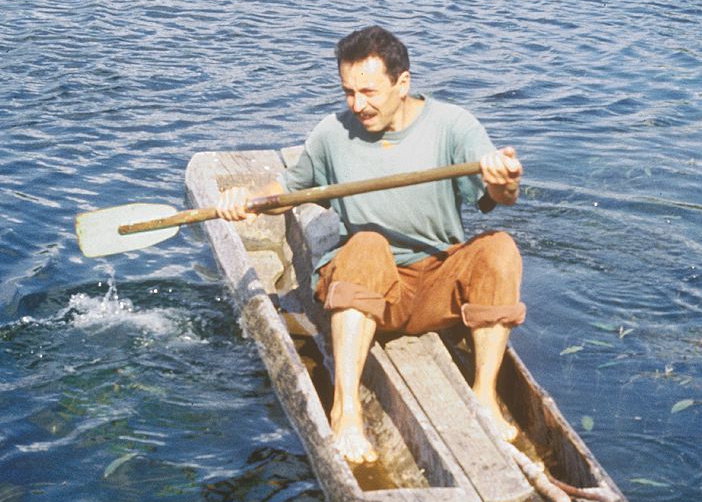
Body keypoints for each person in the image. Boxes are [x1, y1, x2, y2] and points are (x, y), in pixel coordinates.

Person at [216, 26, 524, 465]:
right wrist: (244, 201)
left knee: (500, 249)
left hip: (435, 282)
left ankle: (485, 398)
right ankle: (346, 412)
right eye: (348, 92)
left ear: (403, 84)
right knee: (366, 243)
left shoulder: (454, 126)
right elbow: (283, 191)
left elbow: (500, 197)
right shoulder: (333, 134)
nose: (357, 105)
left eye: (368, 91)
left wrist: (504, 182)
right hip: (369, 286)